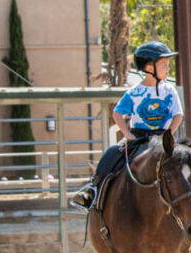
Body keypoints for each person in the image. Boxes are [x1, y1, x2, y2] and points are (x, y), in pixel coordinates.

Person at [71, 41, 183, 209]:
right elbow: (117, 113)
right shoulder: (134, 92)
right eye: (164, 65)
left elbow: (178, 115)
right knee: (111, 154)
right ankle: (92, 190)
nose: (168, 69)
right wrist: (128, 135)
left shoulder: (170, 91)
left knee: (186, 156)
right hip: (138, 137)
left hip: (162, 137)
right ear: (150, 68)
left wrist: (169, 134)